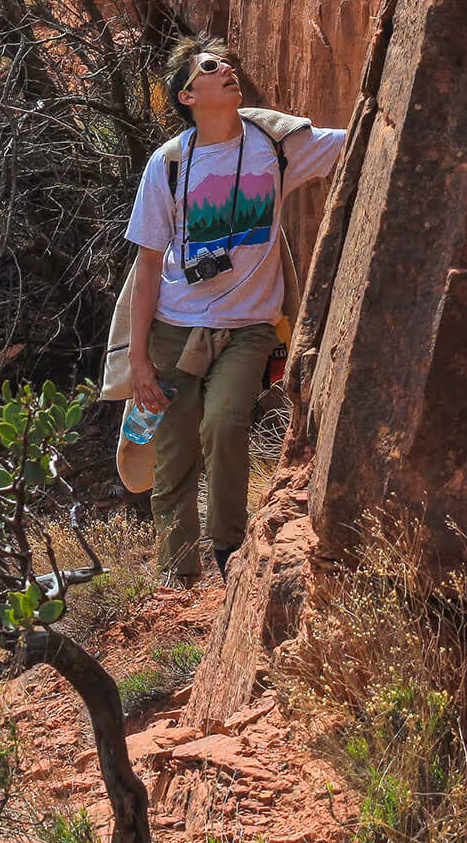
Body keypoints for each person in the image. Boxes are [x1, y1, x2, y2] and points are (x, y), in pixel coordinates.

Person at [124, 34, 346, 583]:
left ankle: (227, 552)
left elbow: (359, 139)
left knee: (224, 423)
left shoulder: (274, 146)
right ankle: (178, 574)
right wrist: (138, 361)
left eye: (227, 63)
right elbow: (148, 265)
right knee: (174, 454)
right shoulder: (169, 165)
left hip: (248, 326)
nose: (226, 69)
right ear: (187, 97)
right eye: (209, 66)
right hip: (174, 329)